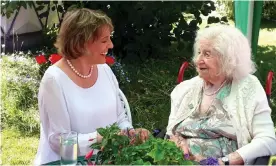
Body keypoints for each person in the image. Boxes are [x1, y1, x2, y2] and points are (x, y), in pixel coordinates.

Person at [34, 8, 148, 165]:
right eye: (104, 40)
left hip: (107, 160)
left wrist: (130, 132)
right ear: (81, 43)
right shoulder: (54, 80)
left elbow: (121, 117)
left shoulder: (105, 70)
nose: (111, 45)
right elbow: (58, 142)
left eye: (110, 38)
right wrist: (99, 139)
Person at [166, 25, 276, 165]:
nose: (198, 60)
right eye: (199, 52)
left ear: (227, 59)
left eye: (207, 54)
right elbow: (171, 132)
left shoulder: (248, 87)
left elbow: (268, 139)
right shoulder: (185, 89)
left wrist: (223, 162)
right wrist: (179, 144)